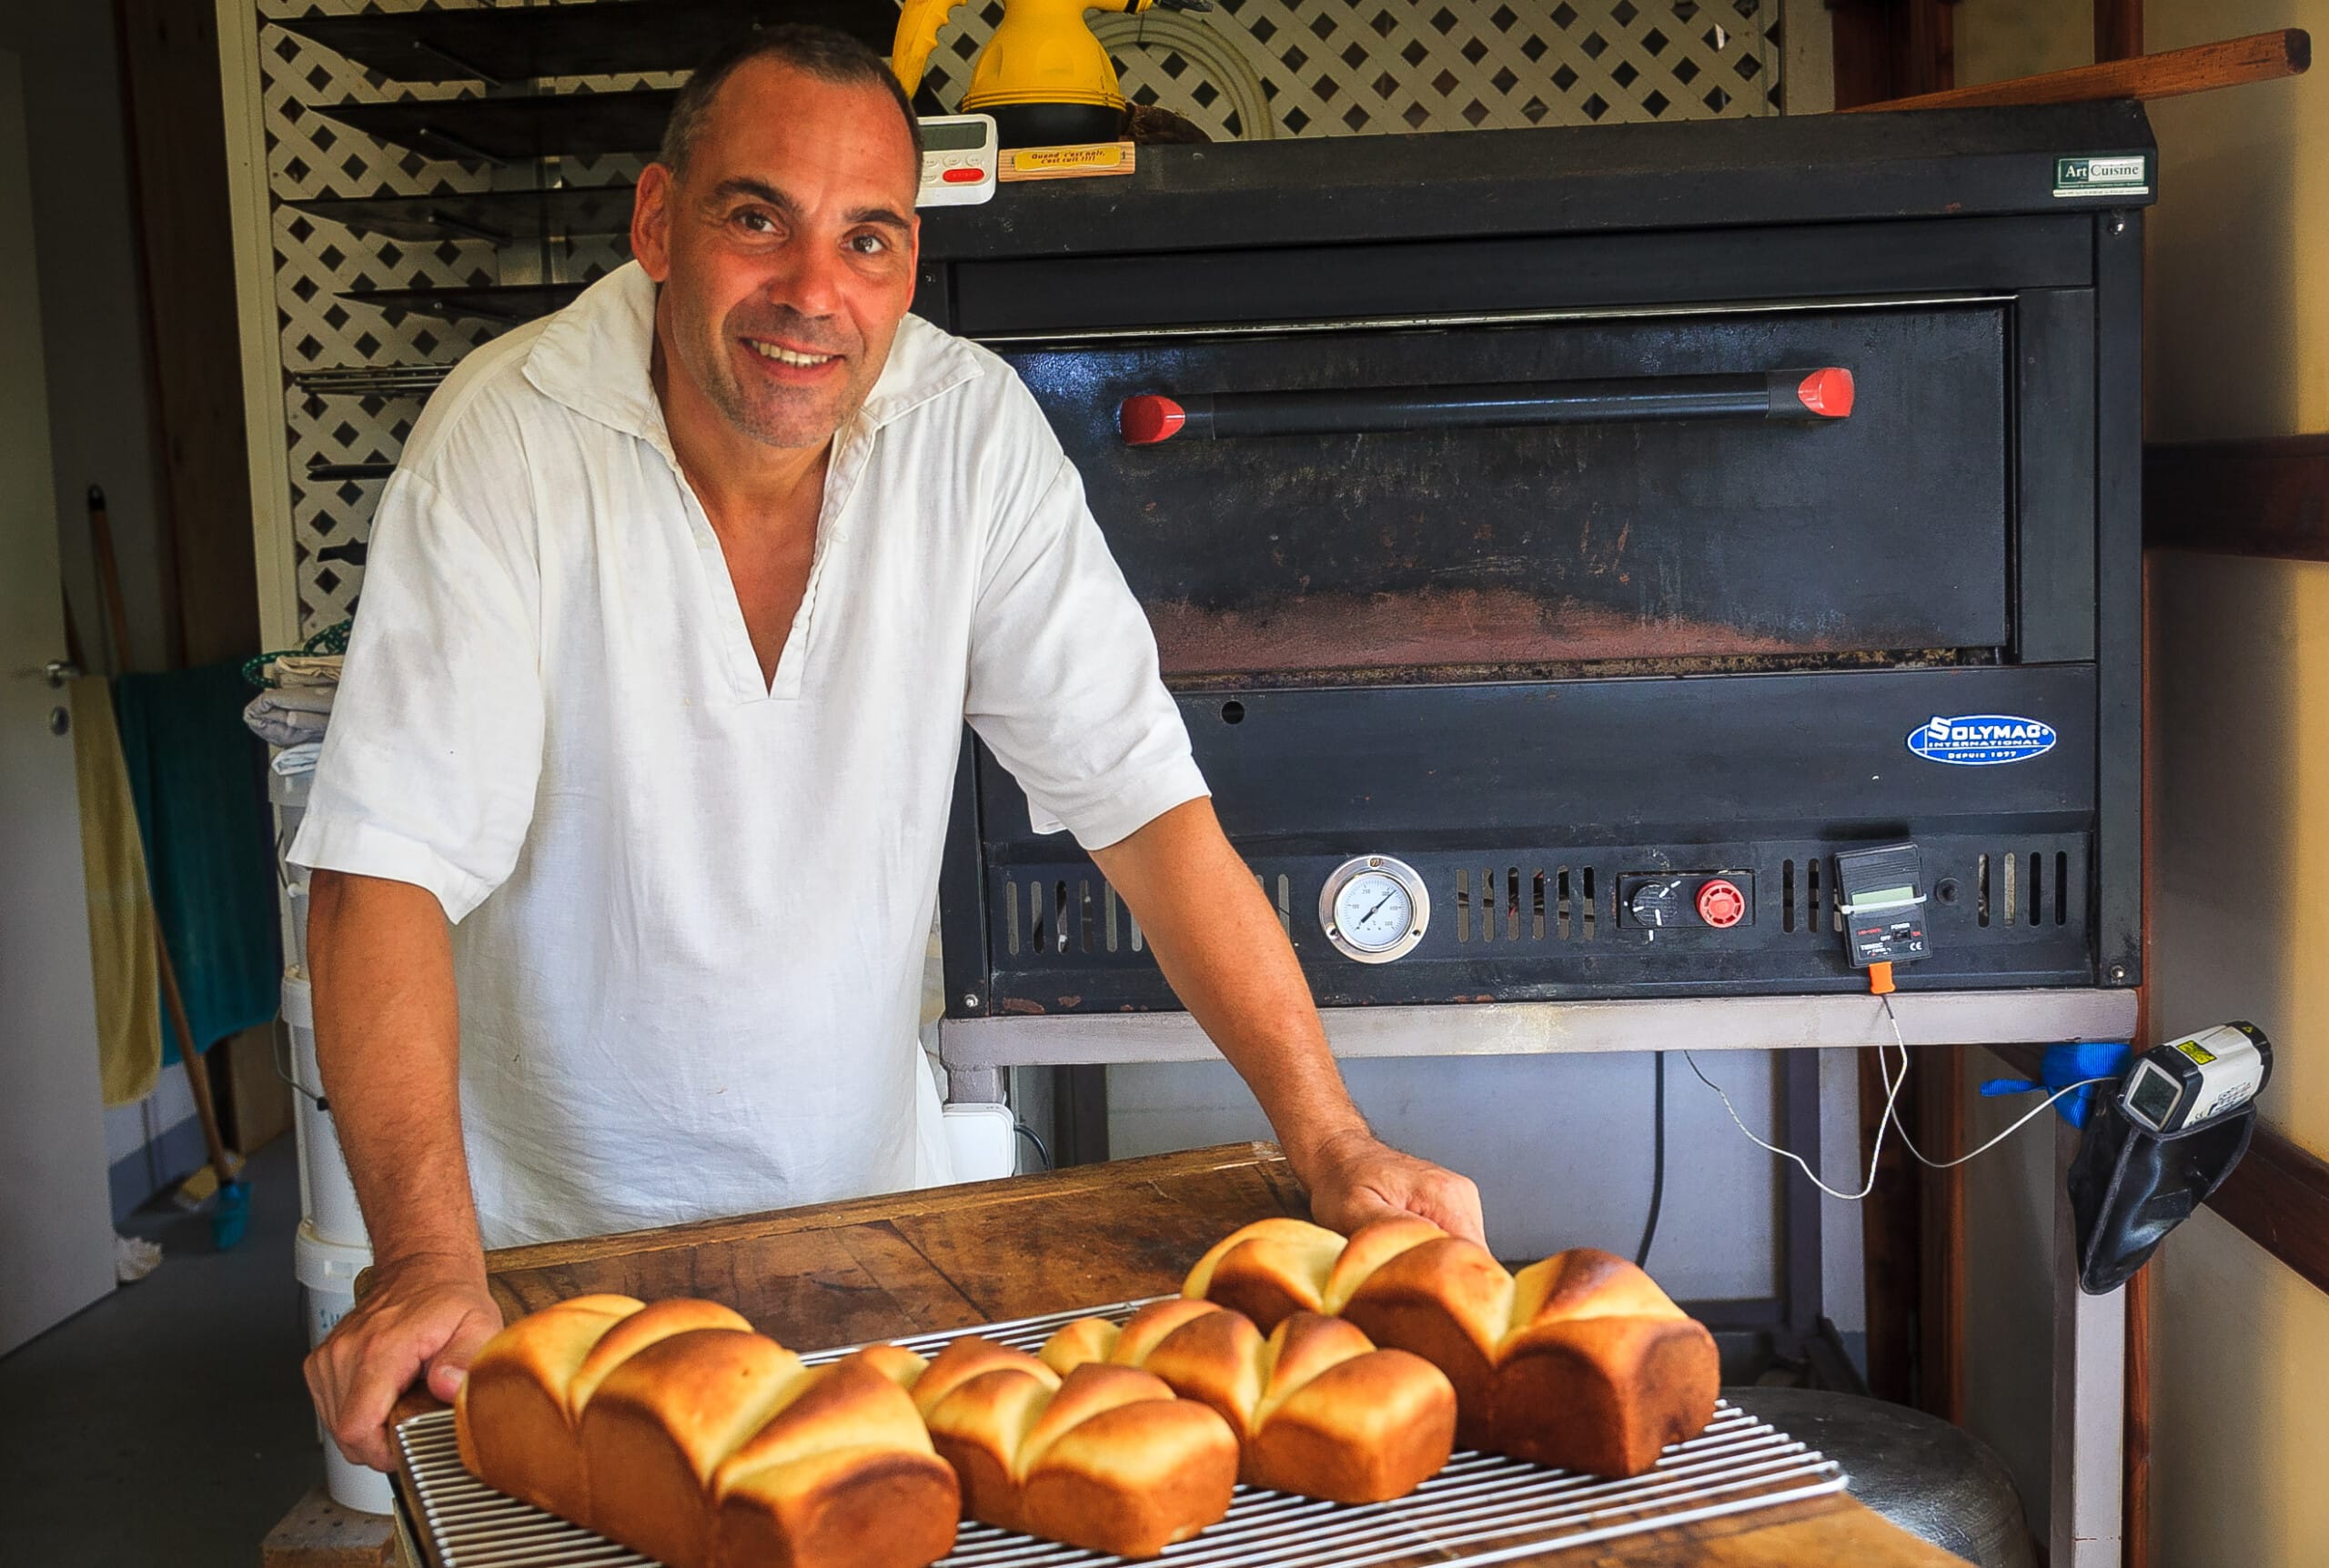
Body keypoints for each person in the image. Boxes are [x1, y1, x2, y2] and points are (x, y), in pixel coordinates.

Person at [294, 25, 1483, 1473]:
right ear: (659, 224)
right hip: (543, 1261)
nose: (813, 295)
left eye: (869, 239)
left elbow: (1147, 810)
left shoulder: (968, 433)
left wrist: (1333, 1137)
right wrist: (426, 1258)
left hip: (868, 1240)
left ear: (910, 261)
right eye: (757, 220)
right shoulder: (505, 440)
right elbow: (384, 870)